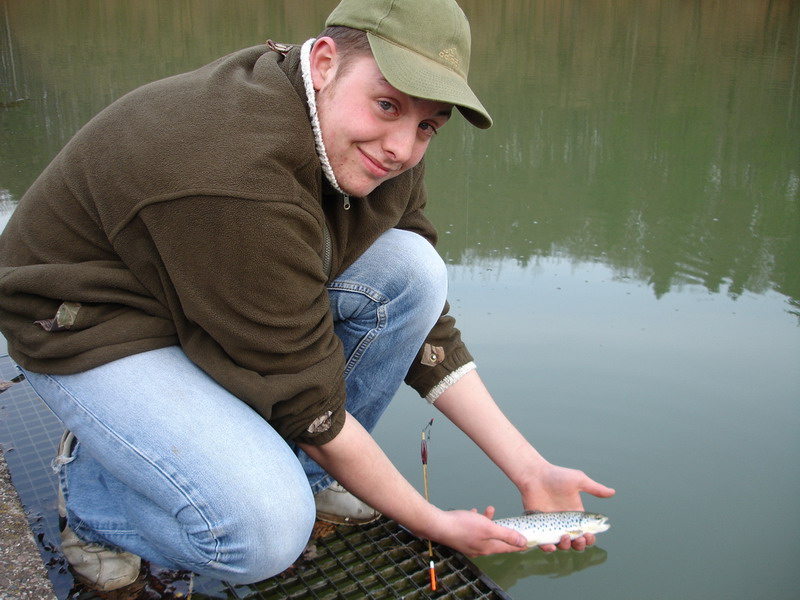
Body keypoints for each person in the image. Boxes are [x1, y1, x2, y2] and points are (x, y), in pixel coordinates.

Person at [0, 0, 614, 591]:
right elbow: (302, 392)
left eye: (426, 124)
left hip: (212, 285)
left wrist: (528, 468)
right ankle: (93, 499)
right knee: (264, 535)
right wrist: (432, 522)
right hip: (89, 319)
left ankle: (308, 475)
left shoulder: (378, 142)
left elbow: (423, 321)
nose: (402, 146)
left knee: (415, 270)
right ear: (323, 62)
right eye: (386, 104)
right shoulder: (234, 175)